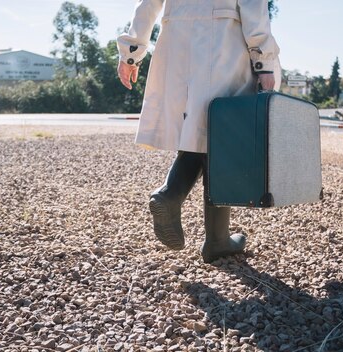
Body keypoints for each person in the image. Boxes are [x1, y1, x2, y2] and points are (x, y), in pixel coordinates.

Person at [117, 0, 281, 263]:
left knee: (202, 131)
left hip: (175, 39)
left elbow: (147, 3)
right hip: (222, 38)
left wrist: (131, 53)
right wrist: (264, 61)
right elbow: (253, 6)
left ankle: (213, 235)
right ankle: (179, 204)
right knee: (221, 132)